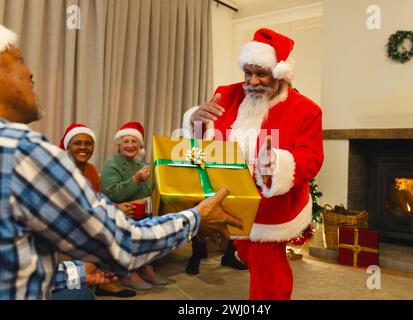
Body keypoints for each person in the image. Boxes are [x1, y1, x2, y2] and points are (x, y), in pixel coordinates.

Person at [0, 24, 242, 300]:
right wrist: (197, 217)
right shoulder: (22, 150)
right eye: (18, 60)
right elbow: (120, 239)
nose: (30, 72)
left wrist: (77, 273)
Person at [182, 28, 324, 299]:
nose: (252, 81)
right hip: (227, 193)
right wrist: (196, 122)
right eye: (248, 73)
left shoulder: (306, 110)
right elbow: (207, 143)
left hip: (270, 203)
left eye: (261, 74)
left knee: (267, 265)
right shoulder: (227, 94)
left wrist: (277, 164)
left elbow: (312, 158)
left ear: (280, 74)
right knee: (248, 251)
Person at [59, 123, 136, 298]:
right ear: (67, 146)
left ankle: (107, 278)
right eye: (77, 143)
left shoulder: (91, 170)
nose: (84, 148)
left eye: (88, 143)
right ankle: (86, 277)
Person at [101, 121, 168, 290]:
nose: (130, 145)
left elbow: (148, 193)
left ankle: (147, 268)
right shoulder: (112, 163)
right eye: (126, 141)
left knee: (156, 225)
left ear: (140, 145)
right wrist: (136, 179)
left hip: (141, 213)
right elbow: (112, 193)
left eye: (134, 142)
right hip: (119, 214)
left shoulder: (143, 165)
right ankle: (129, 274)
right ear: (119, 144)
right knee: (132, 228)